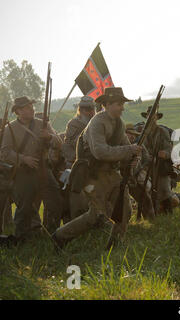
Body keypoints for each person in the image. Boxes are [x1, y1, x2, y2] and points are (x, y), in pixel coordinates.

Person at [51, 87, 142, 250]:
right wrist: (128, 151)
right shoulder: (97, 123)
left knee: (124, 211)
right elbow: (100, 152)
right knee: (96, 215)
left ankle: (115, 244)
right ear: (106, 104)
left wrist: (134, 157)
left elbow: (126, 147)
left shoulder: (119, 123)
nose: (122, 107)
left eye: (122, 104)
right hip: (93, 174)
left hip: (112, 173)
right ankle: (60, 236)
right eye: (118, 104)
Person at [0, 96, 63, 240]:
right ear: (19, 111)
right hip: (24, 172)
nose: (32, 109)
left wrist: (49, 137)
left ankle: (53, 234)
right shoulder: (10, 128)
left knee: (55, 201)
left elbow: (59, 143)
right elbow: (4, 153)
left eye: (31, 106)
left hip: (44, 170)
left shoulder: (43, 124)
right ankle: (21, 239)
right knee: (24, 208)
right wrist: (23, 159)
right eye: (28, 107)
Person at [62, 96, 96, 169]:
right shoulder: (73, 124)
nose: (91, 112)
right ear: (81, 110)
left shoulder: (97, 123)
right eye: (87, 110)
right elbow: (69, 143)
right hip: (75, 158)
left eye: (92, 109)